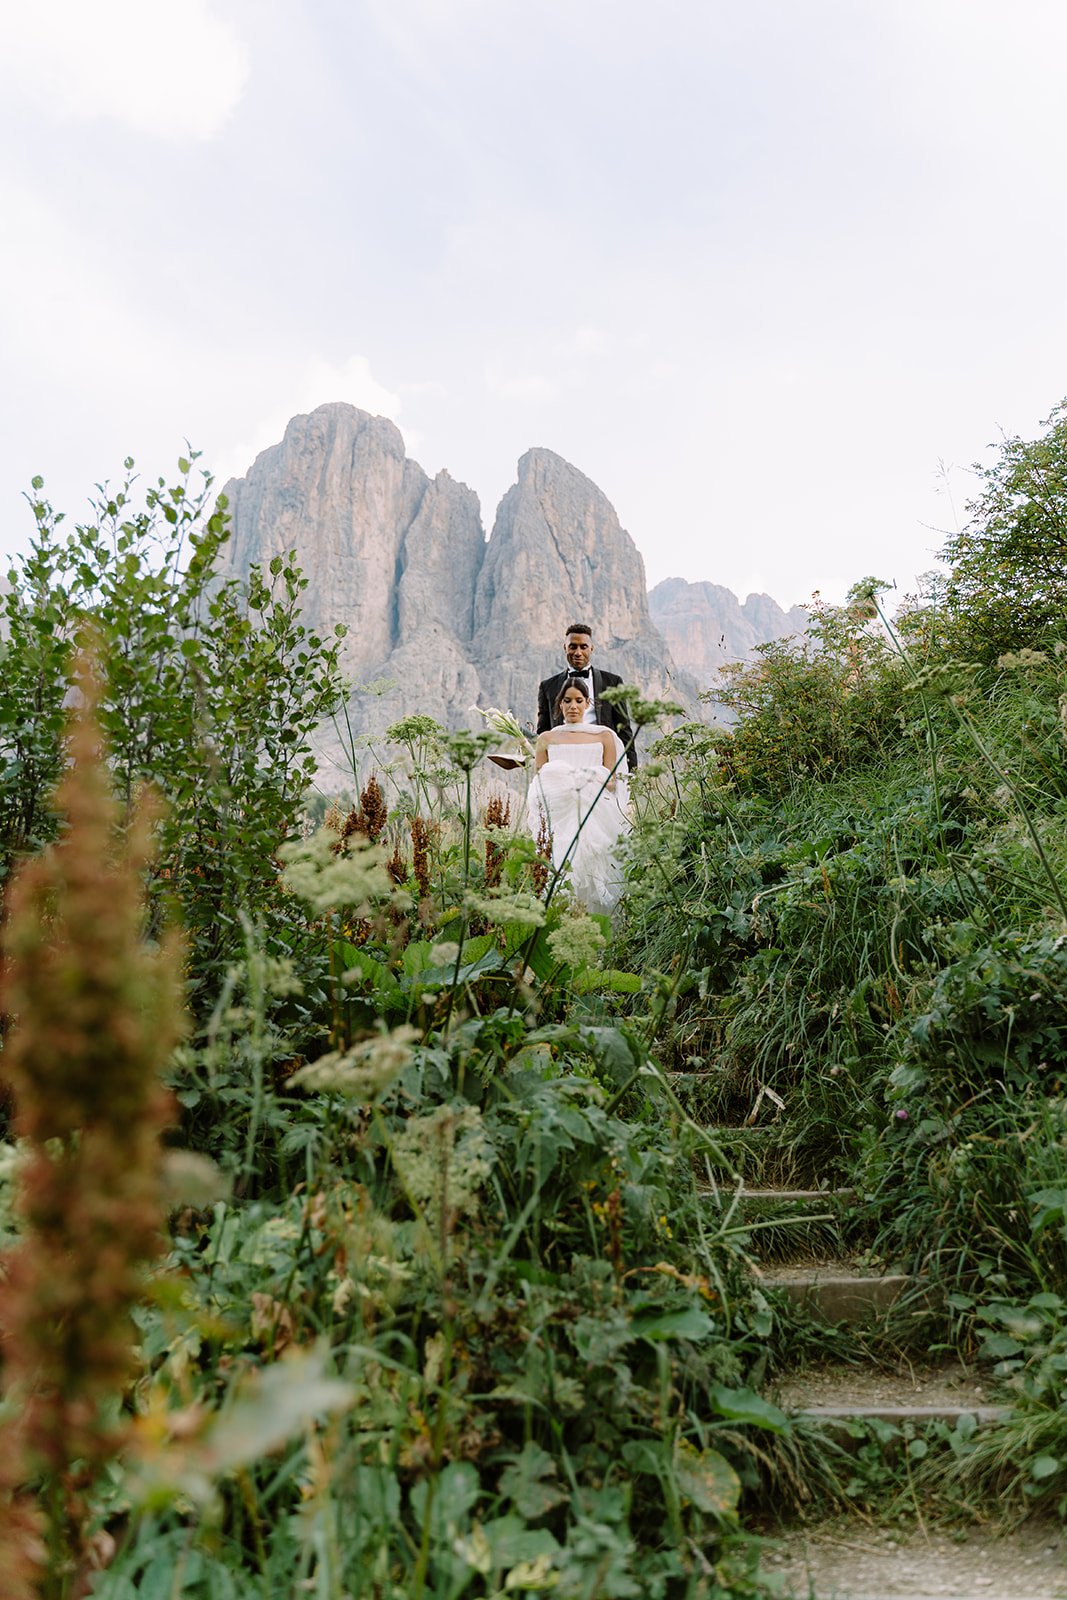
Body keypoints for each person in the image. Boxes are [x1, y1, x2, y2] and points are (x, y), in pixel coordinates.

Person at [527, 676, 630, 917]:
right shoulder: (546, 739)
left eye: (578, 700)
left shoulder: (604, 736)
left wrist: (587, 779)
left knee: (596, 867)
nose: (573, 706)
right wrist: (564, 781)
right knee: (562, 868)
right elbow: (540, 779)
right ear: (559, 704)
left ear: (587, 703)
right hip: (560, 815)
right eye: (567, 701)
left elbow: (612, 779)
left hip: (595, 811)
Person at [536, 623, 638, 772]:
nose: (578, 652)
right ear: (565, 647)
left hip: (600, 759)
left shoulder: (612, 683)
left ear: (592, 648)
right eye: (573, 646)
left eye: (583, 647)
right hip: (561, 761)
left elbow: (624, 728)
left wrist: (632, 768)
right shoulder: (548, 686)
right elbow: (543, 730)